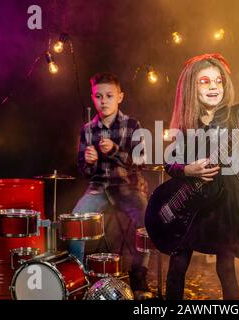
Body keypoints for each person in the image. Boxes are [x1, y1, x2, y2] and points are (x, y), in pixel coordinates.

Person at [163, 53, 239, 300]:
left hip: (226, 205)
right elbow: (169, 161)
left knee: (225, 268)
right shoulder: (188, 124)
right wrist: (187, 169)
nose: (214, 86)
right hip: (193, 205)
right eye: (205, 81)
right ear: (191, 88)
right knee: (177, 265)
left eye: (219, 81)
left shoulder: (237, 115)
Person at [68, 72, 152, 299]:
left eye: (109, 96)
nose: (103, 101)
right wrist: (89, 162)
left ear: (120, 97)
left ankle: (138, 275)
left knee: (147, 219)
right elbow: (84, 172)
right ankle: (78, 275)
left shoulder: (133, 125)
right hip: (98, 188)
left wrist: (114, 150)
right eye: (98, 96)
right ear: (93, 98)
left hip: (128, 187)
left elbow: (141, 161)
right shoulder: (87, 129)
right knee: (75, 221)